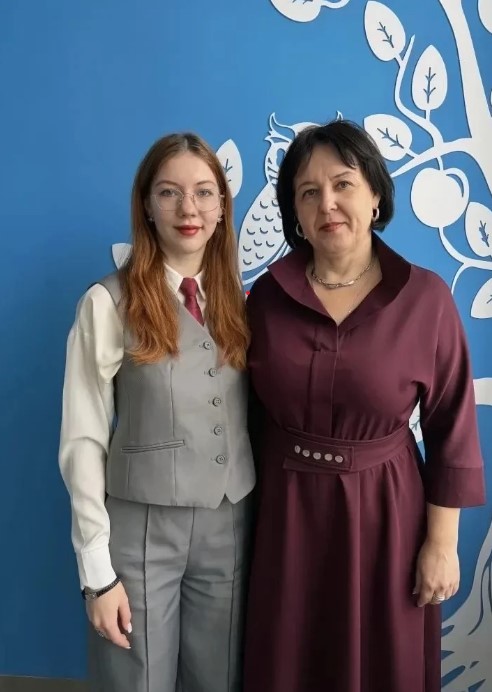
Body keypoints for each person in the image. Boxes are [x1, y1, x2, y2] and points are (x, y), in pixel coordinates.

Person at [242, 119, 485, 692]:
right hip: (285, 517)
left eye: (343, 184)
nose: (327, 203)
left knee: (384, 665)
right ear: (295, 214)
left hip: (387, 518)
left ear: (375, 194)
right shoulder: (266, 298)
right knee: (288, 661)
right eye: (308, 192)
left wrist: (442, 545)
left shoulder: (426, 298)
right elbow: (240, 415)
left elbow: (452, 427)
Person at [59, 132, 255, 692]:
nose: (188, 208)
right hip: (141, 529)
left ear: (222, 206)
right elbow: (82, 441)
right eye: (169, 192)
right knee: (136, 680)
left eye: (204, 192)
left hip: (229, 523)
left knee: (219, 679)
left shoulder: (242, 300)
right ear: (146, 205)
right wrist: (97, 575)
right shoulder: (107, 302)